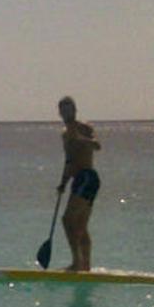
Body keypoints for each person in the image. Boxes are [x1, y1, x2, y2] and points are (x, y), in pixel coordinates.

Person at [56, 97, 101, 271]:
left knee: (67, 220)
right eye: (64, 110)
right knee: (80, 225)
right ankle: (86, 266)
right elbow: (69, 162)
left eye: (70, 109)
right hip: (77, 179)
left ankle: (77, 262)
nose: (67, 113)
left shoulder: (85, 128)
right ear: (60, 113)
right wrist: (63, 183)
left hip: (88, 177)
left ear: (75, 110)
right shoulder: (65, 134)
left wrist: (81, 138)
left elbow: (97, 146)